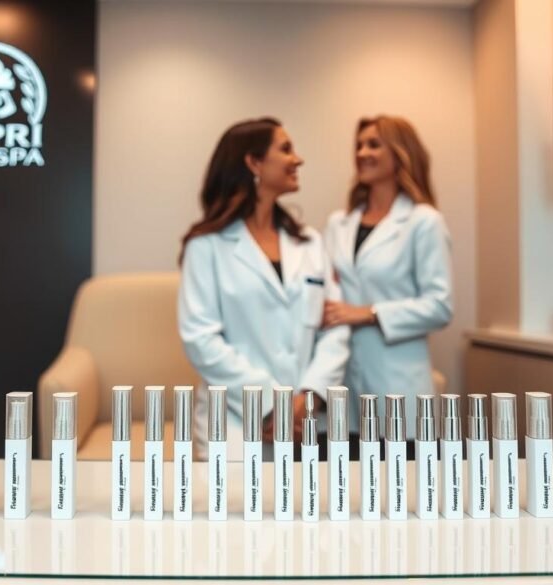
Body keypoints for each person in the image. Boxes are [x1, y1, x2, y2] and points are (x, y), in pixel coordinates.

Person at [178, 117, 349, 459]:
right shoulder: (206, 246)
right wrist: (272, 404)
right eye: (285, 149)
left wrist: (307, 397)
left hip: (305, 424)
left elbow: (335, 327)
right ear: (253, 162)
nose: (297, 160)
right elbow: (201, 339)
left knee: (305, 510)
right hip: (234, 426)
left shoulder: (310, 241)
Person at [322, 115, 453, 451]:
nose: (362, 152)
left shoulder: (423, 222)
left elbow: (439, 306)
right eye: (359, 145)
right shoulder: (339, 224)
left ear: (400, 154)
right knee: (346, 496)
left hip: (399, 390)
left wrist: (367, 313)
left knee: (402, 498)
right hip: (344, 390)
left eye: (374, 144)